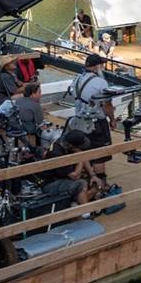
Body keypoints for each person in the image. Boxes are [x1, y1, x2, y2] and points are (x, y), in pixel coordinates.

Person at [68, 54, 114, 186]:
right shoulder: (101, 82)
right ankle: (101, 185)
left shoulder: (77, 79)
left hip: (79, 121)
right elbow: (107, 105)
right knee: (99, 155)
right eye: (101, 64)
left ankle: (88, 182)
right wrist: (112, 119)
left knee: (84, 151)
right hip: (96, 123)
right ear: (97, 66)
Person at [38, 129, 98, 206]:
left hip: (63, 179)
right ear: (71, 146)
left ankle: (74, 205)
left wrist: (93, 175)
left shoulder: (65, 143)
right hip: (50, 184)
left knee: (94, 184)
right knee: (81, 184)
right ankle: (85, 214)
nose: (80, 149)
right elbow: (75, 176)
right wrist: (79, 158)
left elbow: (83, 155)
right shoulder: (57, 154)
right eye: (78, 147)